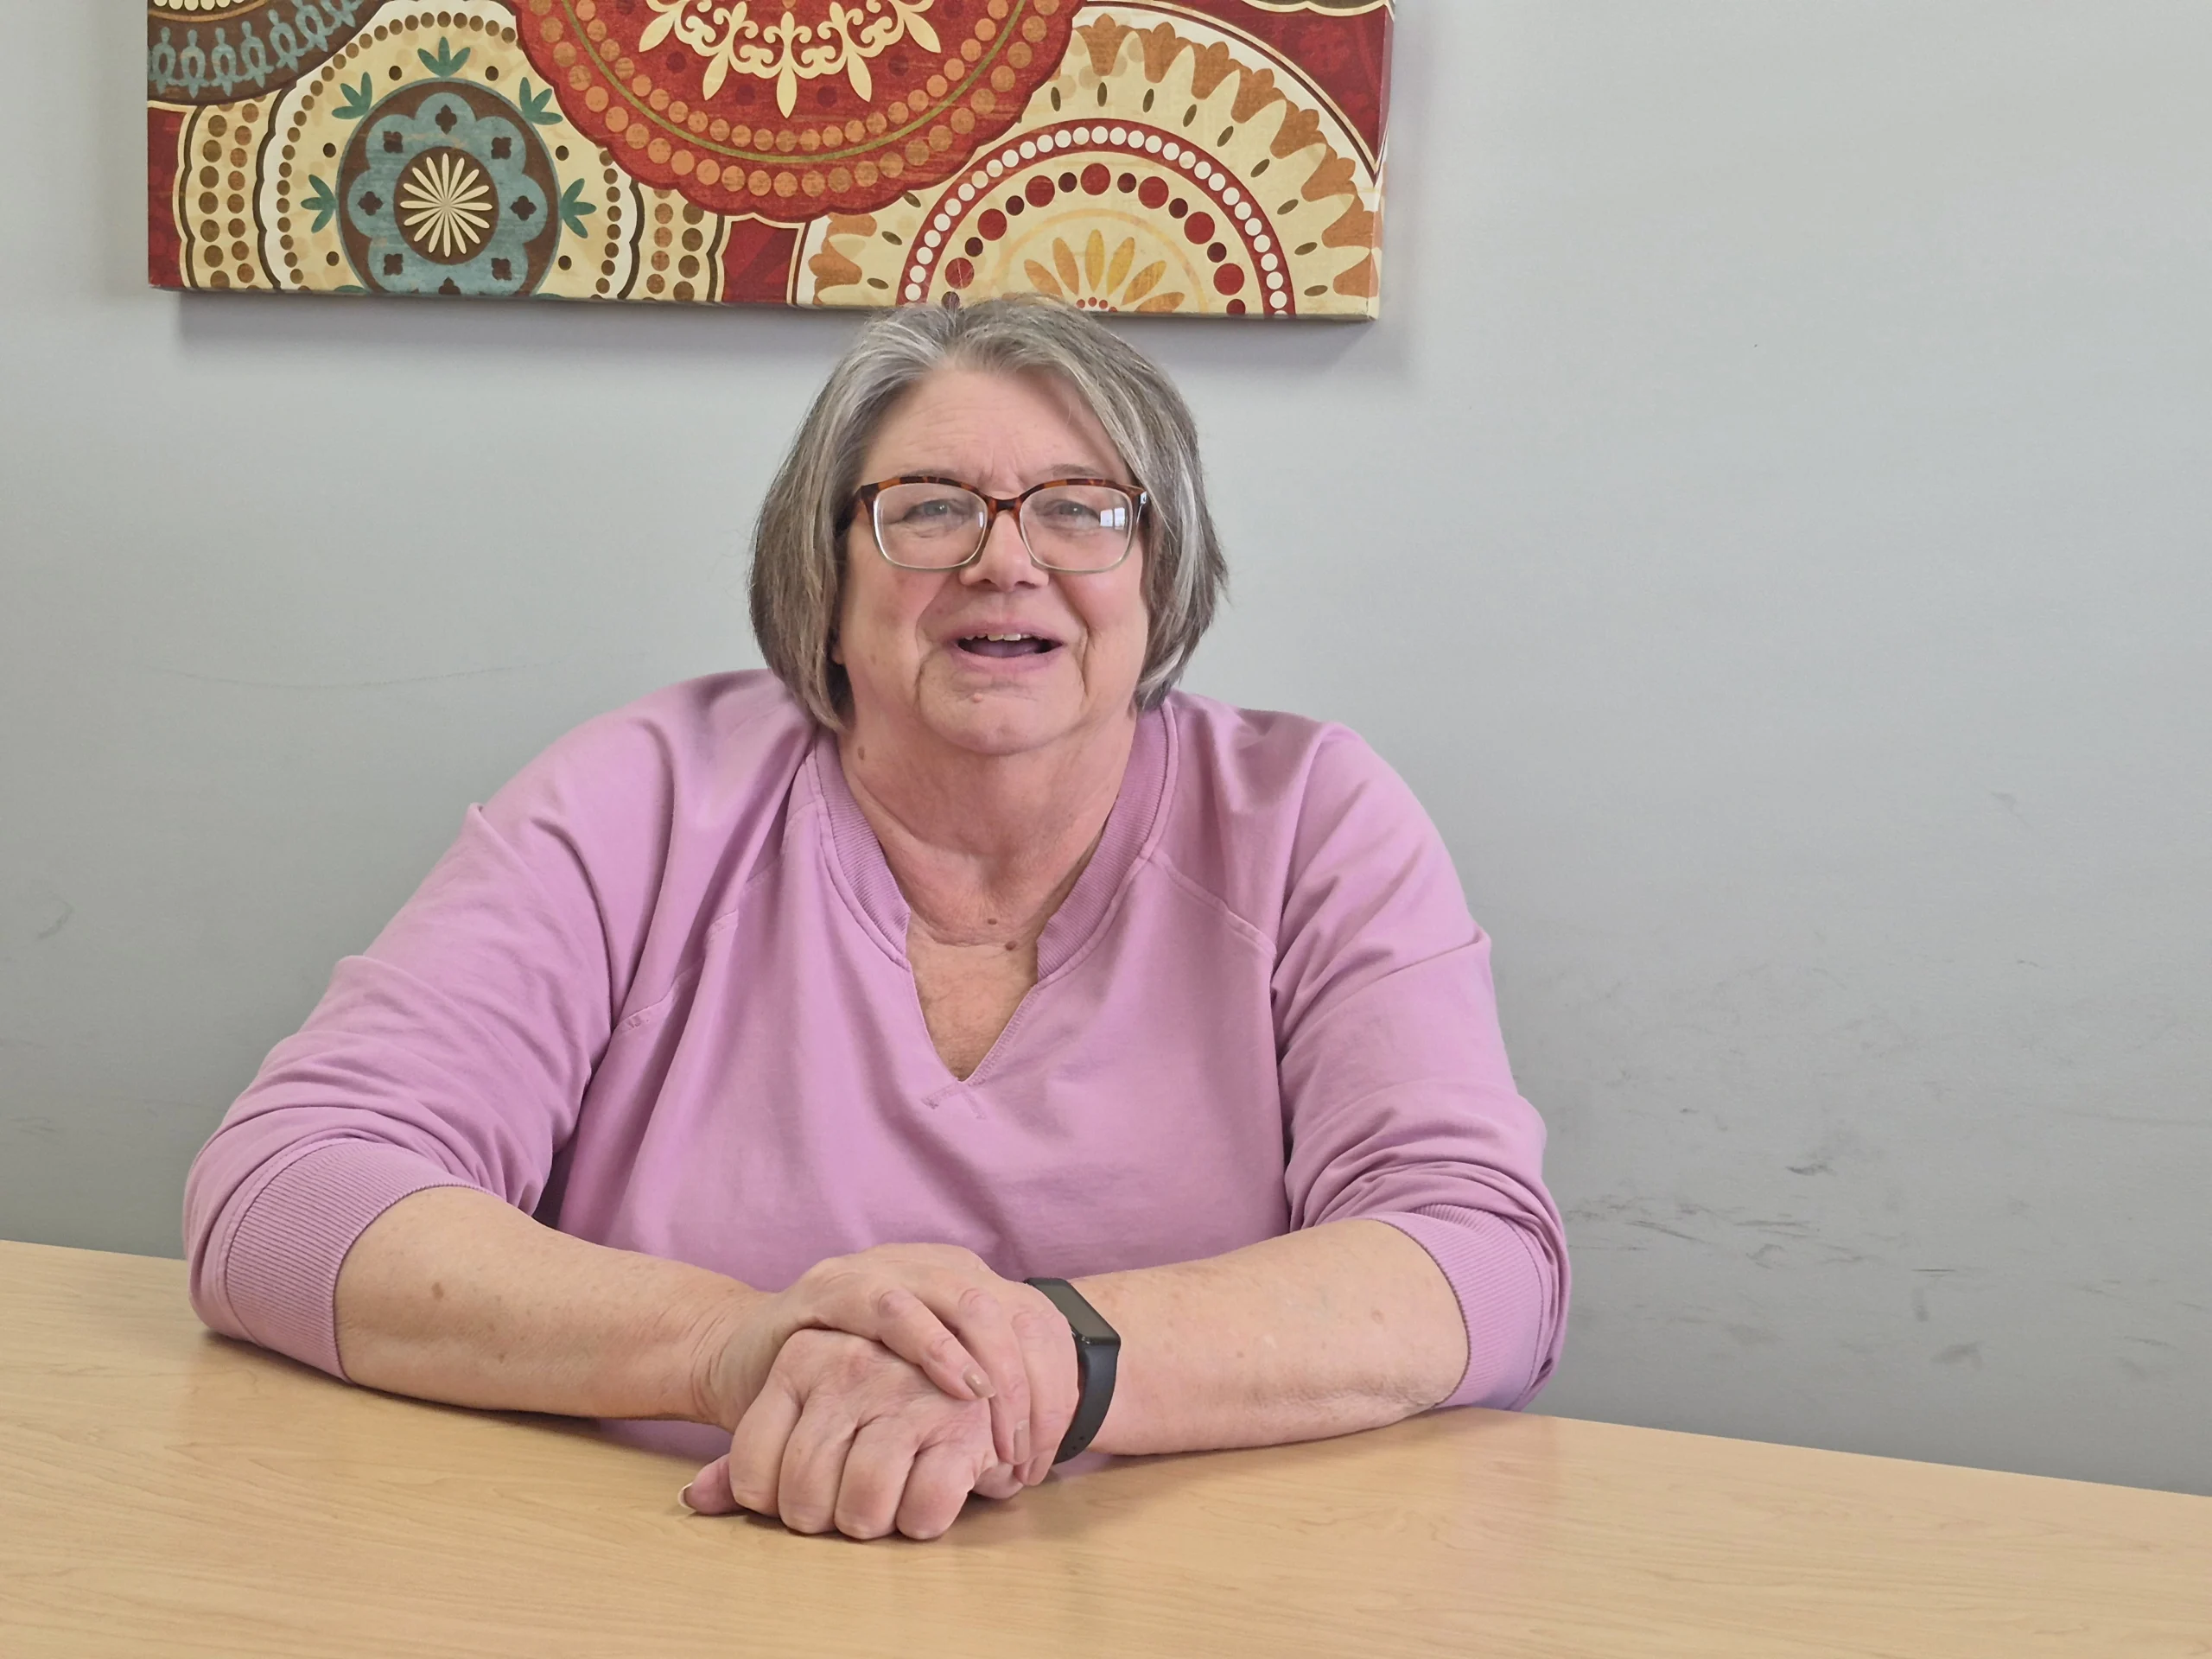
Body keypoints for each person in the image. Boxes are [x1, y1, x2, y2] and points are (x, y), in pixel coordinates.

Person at [183, 297, 1568, 1542]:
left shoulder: (1311, 818)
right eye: (928, 508)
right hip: (662, 1566)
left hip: (1178, 1599)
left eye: (1082, 509)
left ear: (1162, 576)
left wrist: (1046, 1360)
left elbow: (1483, 1258)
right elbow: (283, 1198)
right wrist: (733, 1349)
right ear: (827, 576)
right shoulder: (643, 799)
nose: (1005, 562)